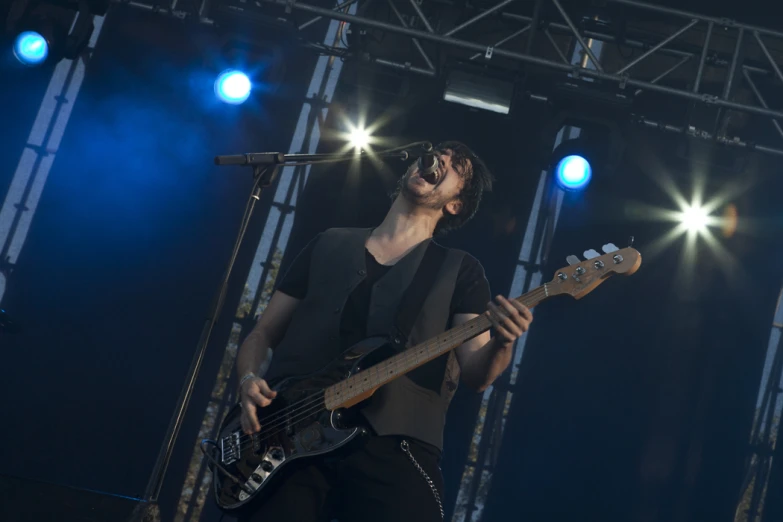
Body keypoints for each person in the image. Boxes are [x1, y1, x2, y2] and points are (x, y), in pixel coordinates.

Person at [234, 141, 533, 522]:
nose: (438, 160)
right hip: (289, 437)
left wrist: (504, 343)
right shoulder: (329, 243)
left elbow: (476, 372)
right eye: (436, 153)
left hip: (396, 444)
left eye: (454, 165)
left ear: (455, 204)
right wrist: (246, 379)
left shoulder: (460, 270)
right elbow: (261, 335)